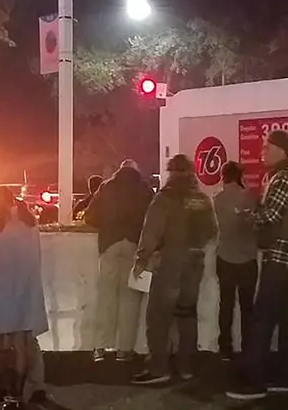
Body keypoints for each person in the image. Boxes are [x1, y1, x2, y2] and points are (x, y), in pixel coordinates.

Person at [227, 129, 288, 400]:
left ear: (281, 151)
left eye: (266, 147)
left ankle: (254, 380)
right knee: (284, 317)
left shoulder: (283, 177)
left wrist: (248, 216)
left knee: (262, 317)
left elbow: (271, 215)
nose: (262, 152)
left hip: (279, 255)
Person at [131, 154, 218, 385]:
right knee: (187, 316)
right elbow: (212, 230)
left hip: (170, 264)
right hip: (195, 263)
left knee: (158, 317)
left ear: (172, 172)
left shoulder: (165, 199)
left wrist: (141, 260)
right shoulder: (202, 199)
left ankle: (159, 368)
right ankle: (186, 366)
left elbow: (151, 233)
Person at [0, 187, 49, 410]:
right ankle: (16, 396)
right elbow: (36, 257)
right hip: (24, 291)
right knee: (20, 344)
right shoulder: (29, 221)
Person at [84, 160, 154, 362]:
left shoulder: (106, 186)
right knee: (131, 299)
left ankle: (100, 348)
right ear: (136, 170)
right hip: (137, 248)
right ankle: (124, 350)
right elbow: (153, 220)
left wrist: (109, 224)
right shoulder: (145, 189)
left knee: (106, 298)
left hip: (110, 245)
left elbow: (90, 217)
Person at [213, 161, 259, 361]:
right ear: (240, 176)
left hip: (224, 257)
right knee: (248, 306)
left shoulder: (217, 199)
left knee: (226, 304)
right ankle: (249, 346)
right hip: (247, 258)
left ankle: (225, 347)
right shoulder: (250, 197)